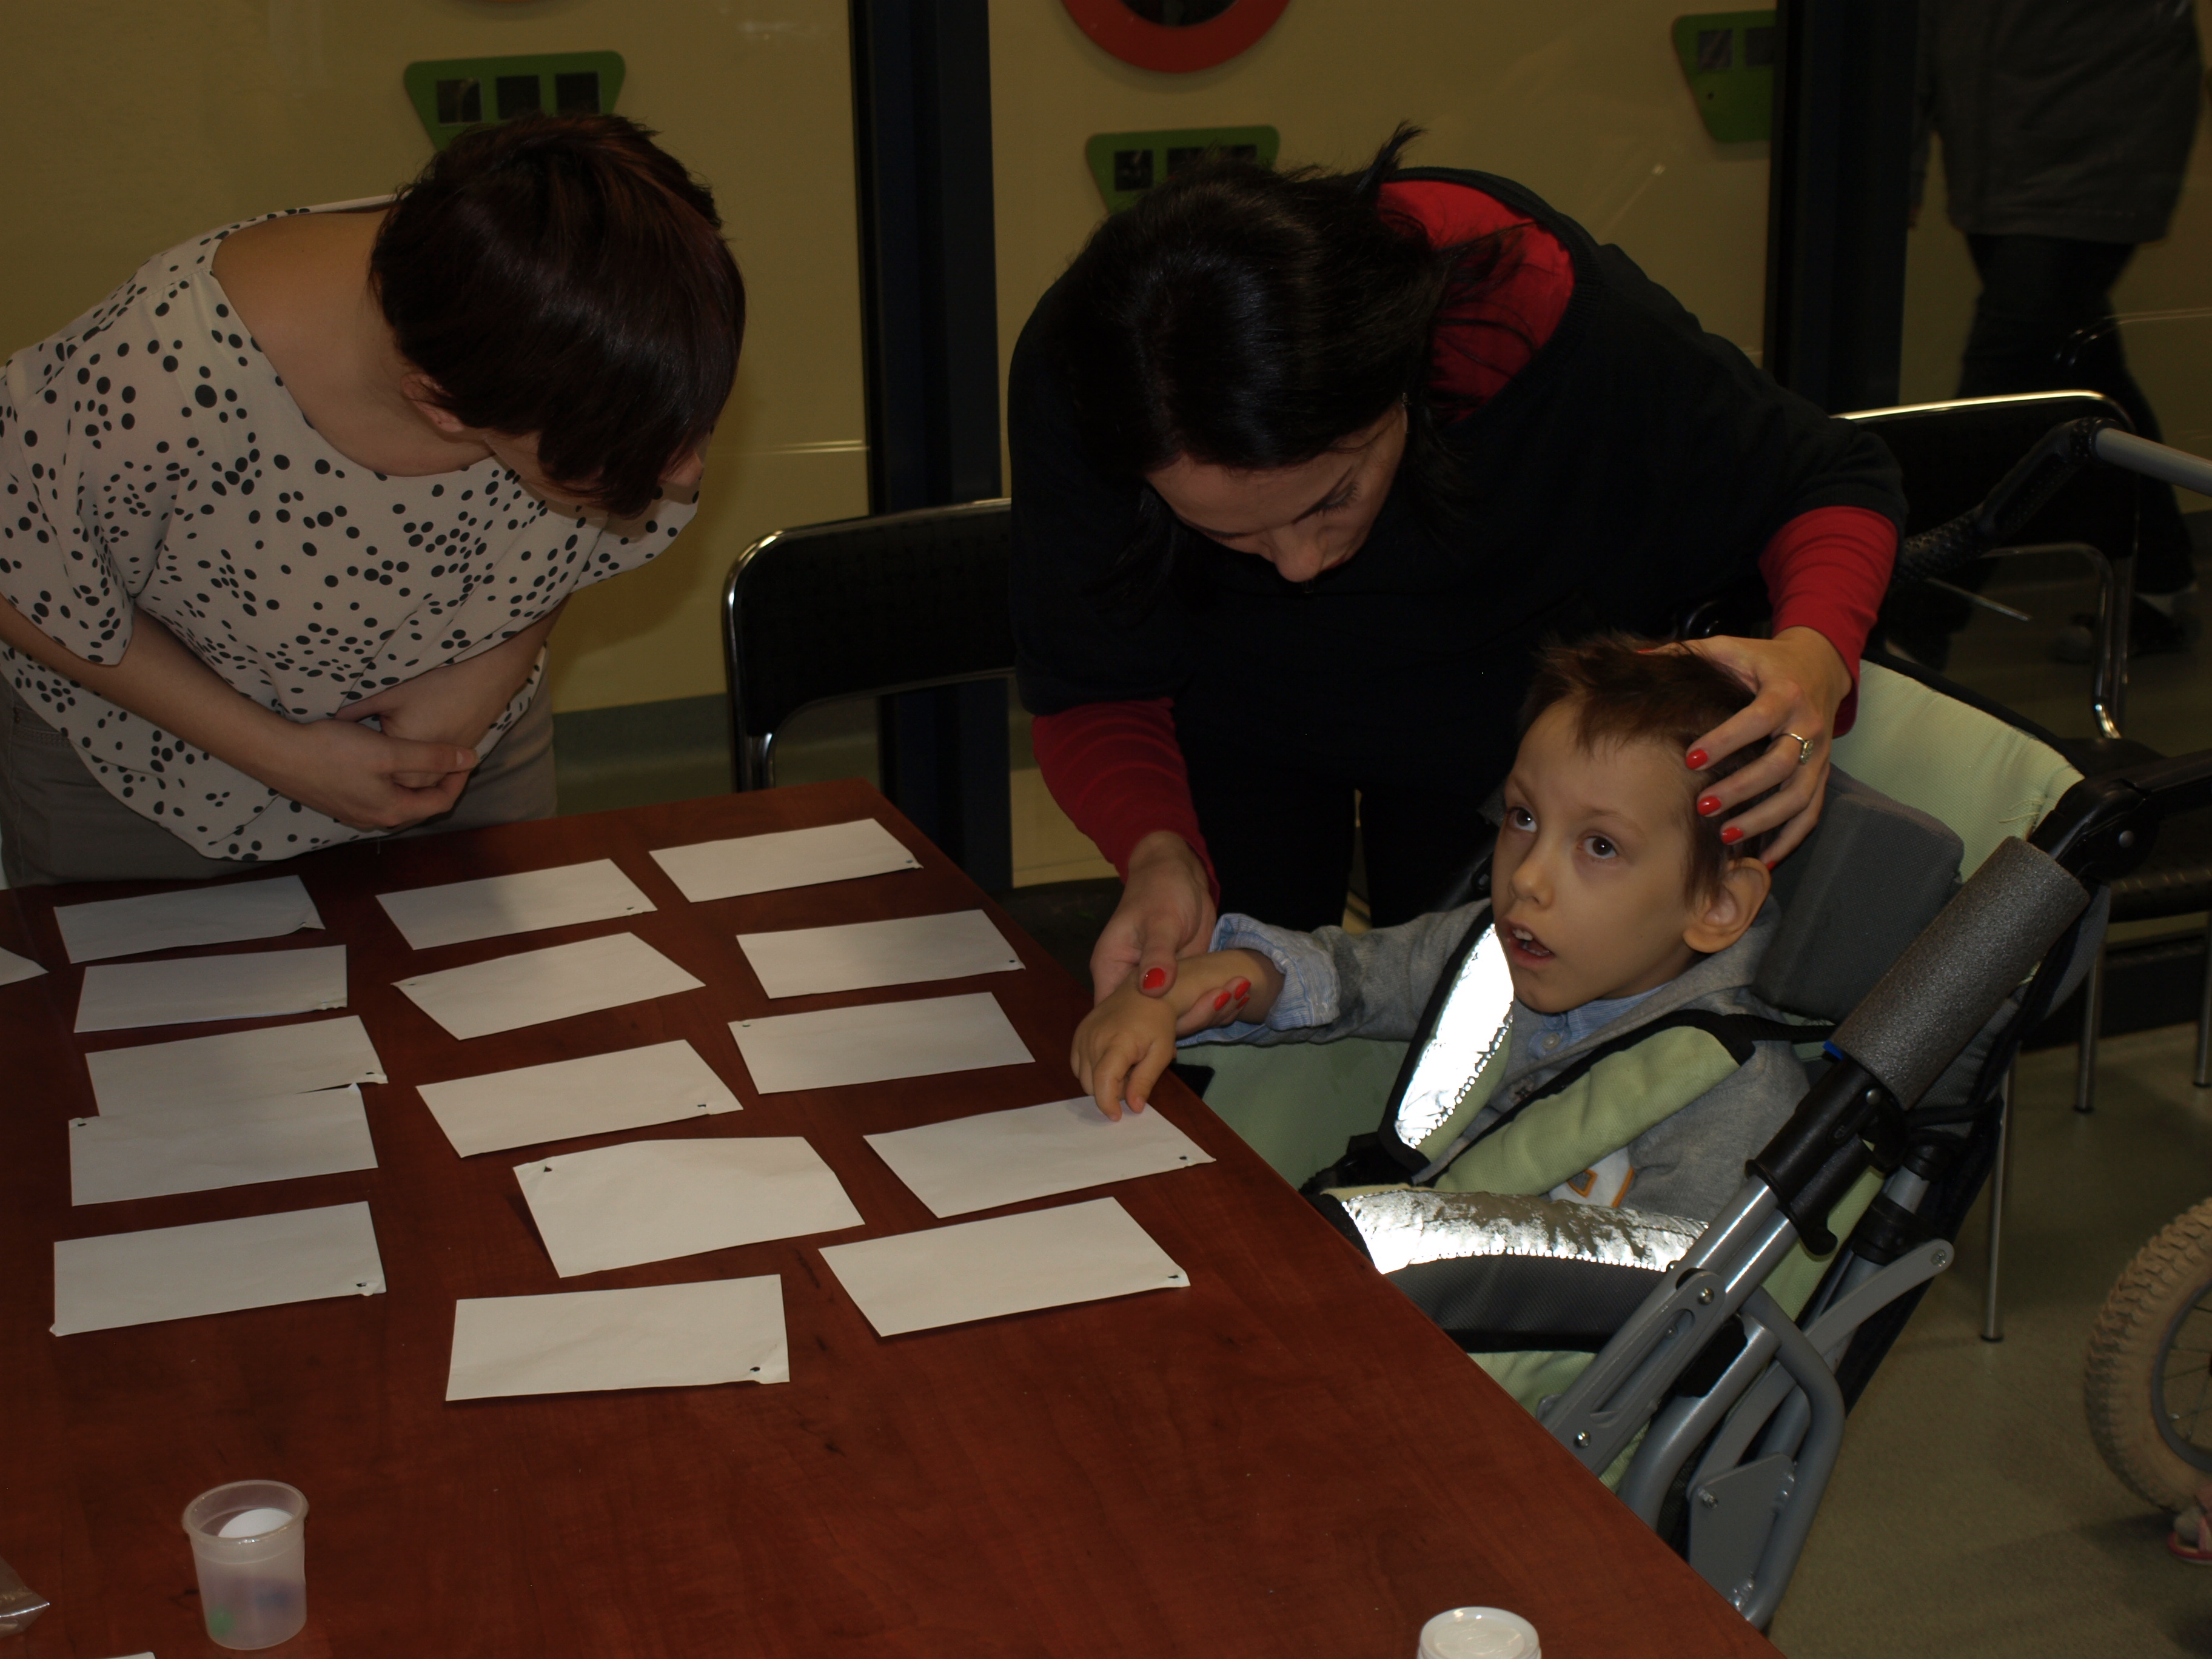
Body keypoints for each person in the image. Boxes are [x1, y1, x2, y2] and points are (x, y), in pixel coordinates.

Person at [1011, 127, 1906, 1013]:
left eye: (1332, 498)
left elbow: (1825, 479)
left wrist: (1815, 658)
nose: (1301, 563)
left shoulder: (1523, 310)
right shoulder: (1105, 377)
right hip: (1234, 717)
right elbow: (1092, 682)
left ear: (1401, 379)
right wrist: (1157, 851)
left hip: (1501, 716)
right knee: (1227, 999)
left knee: (1475, 1004)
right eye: (1226, 531)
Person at [0, 113, 744, 886]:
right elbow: (18, 569)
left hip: (464, 749)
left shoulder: (565, 301)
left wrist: (490, 671)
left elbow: (564, 535)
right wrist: (281, 754)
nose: (686, 473)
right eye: (615, 459)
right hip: (156, 780)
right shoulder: (167, 374)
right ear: (442, 406)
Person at [1071, 638, 1815, 1223]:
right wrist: (1199, 985)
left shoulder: (1729, 1095)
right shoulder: (1490, 949)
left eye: (1599, 846)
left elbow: (1669, 1318)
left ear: (1718, 907)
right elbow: (1350, 979)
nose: (1527, 878)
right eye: (1523, 818)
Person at [1907, 0, 2204, 665]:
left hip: (2095, 154)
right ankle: (2161, 581)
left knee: (1999, 391)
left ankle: (1917, 624)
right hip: (1993, 159)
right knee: (2082, 368)